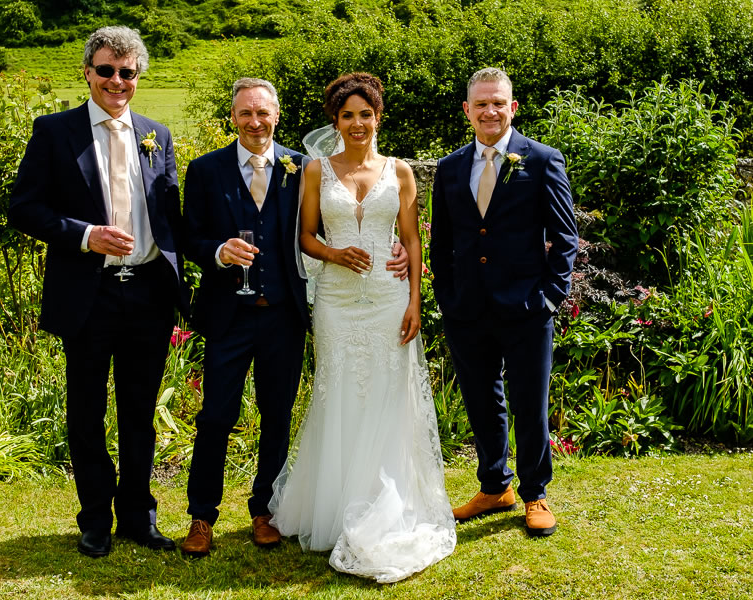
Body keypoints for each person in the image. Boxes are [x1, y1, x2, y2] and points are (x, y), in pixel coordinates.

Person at [180, 78, 409, 557]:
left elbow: (342, 216)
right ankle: (202, 516)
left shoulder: (302, 167)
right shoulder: (205, 170)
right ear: (233, 117)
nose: (255, 121)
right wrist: (219, 251)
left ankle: (265, 510)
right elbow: (189, 237)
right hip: (227, 315)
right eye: (246, 113)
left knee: (277, 415)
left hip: (283, 314)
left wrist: (400, 251)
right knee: (216, 415)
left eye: (263, 112)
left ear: (277, 115)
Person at [269, 73, 457, 584]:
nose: (357, 124)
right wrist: (334, 254)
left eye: (365, 114)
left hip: (389, 300)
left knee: (387, 395)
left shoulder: (400, 172)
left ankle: (385, 503)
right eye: (347, 115)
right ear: (336, 121)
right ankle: (333, 508)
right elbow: (306, 236)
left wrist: (415, 301)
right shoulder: (315, 170)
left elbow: (412, 240)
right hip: (335, 301)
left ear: (378, 117)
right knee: (339, 394)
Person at [8, 26, 186, 558]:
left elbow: (170, 214)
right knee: (86, 412)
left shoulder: (157, 135)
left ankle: (138, 516)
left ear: (138, 77)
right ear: (87, 72)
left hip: (149, 293)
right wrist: (86, 236)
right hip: (89, 293)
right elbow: (24, 209)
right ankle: (94, 520)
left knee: (139, 412)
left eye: (126, 72)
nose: (116, 81)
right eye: (106, 70)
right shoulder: (54, 131)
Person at [430, 67, 578, 537]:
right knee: (481, 400)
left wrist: (550, 297)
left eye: (498, 103)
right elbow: (442, 241)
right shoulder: (450, 167)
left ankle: (535, 493)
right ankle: (495, 486)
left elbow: (565, 237)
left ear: (512, 108)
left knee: (530, 403)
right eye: (481, 104)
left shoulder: (543, 160)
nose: (489, 111)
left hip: (527, 308)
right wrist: (447, 295)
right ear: (467, 110)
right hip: (466, 309)